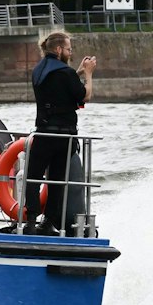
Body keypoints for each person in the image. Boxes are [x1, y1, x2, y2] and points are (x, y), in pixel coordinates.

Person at [25, 31, 95, 235]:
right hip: (64, 136)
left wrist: (77, 71)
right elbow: (84, 95)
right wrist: (88, 74)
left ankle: (30, 221)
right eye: (68, 49)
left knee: (33, 177)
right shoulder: (66, 73)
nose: (70, 53)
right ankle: (48, 222)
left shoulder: (38, 70)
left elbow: (61, 81)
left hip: (43, 133)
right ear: (58, 49)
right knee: (57, 180)